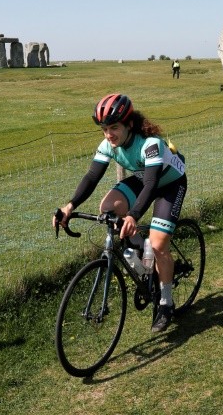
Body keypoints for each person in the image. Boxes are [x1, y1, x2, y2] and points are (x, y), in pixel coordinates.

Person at [54, 93, 187, 332]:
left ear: (130, 124)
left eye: (114, 127)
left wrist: (133, 216)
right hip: (144, 177)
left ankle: (166, 302)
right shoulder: (108, 145)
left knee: (158, 246)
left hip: (170, 183)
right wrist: (69, 206)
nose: (108, 134)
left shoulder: (150, 144)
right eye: (104, 129)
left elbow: (151, 184)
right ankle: (141, 252)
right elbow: (92, 177)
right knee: (108, 208)